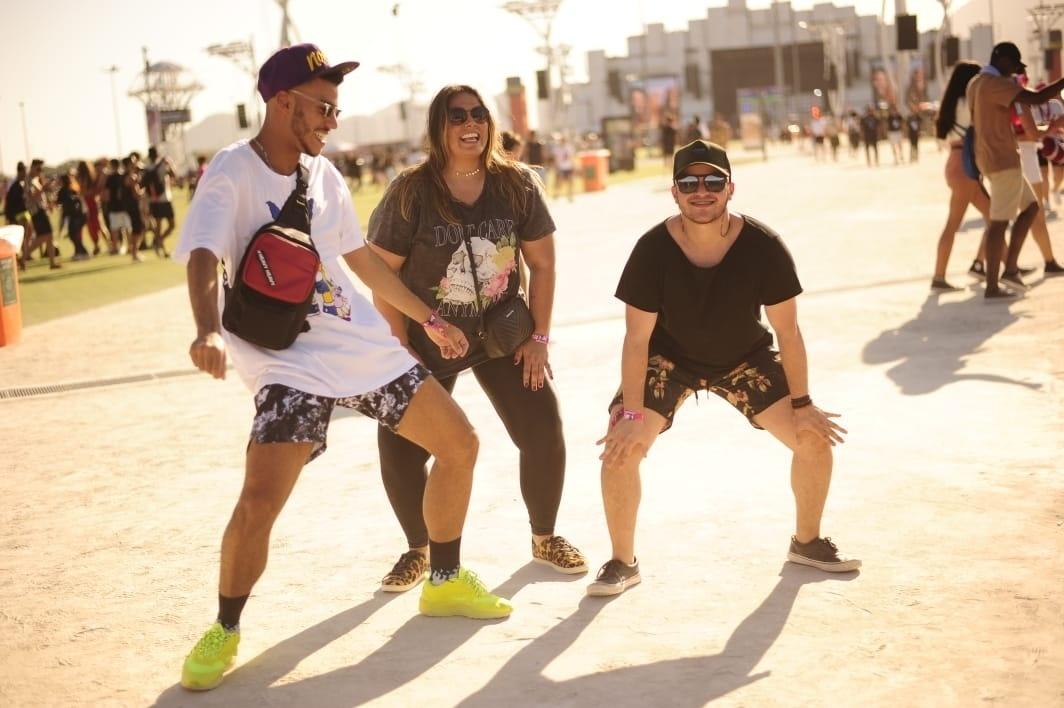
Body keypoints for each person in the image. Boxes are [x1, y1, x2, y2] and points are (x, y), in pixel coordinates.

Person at [175, 45, 512, 693]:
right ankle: (224, 627)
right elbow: (200, 254)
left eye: (337, 107)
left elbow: (363, 263)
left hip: (359, 346)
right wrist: (203, 331)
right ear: (281, 102)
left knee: (460, 444)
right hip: (286, 360)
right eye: (322, 107)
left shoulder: (324, 177)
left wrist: (428, 319)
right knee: (260, 500)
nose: (333, 120)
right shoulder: (232, 171)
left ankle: (443, 582)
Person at [588, 140, 860, 597]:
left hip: (742, 358)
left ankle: (807, 542)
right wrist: (631, 415)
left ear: (730, 188)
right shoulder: (652, 249)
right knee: (620, 446)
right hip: (668, 359)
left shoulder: (763, 246)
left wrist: (803, 403)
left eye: (713, 181)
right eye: (689, 183)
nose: (702, 191)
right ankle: (621, 561)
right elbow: (636, 339)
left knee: (812, 437)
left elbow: (789, 333)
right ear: (674, 192)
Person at [366, 84, 586, 594]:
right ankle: (418, 550)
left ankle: (544, 537)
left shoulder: (517, 184)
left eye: (479, 113)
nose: (471, 122)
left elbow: (544, 263)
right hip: (432, 337)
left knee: (542, 429)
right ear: (438, 127)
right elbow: (383, 274)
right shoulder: (410, 191)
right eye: (457, 115)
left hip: (505, 333)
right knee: (400, 443)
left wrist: (540, 337)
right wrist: (399, 345)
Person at [967, 42, 1064, 297]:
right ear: (1004, 61)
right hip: (1002, 161)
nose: (1015, 73)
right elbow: (1037, 98)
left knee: (1032, 207)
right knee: (998, 225)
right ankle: (992, 286)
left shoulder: (976, 83)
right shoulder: (995, 84)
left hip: (991, 159)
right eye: (1014, 67)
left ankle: (1010, 271)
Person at [931, 62, 992, 290]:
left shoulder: (949, 104)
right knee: (991, 218)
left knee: (993, 217)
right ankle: (995, 267)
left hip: (955, 163)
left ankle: (983, 264)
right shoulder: (967, 103)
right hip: (965, 166)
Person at [1014, 86, 1064, 275]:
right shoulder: (1016, 99)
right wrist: (1051, 127)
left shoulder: (1017, 99)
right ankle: (1004, 266)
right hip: (1022, 160)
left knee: (1036, 214)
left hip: (1028, 158)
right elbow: (1028, 133)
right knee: (1007, 217)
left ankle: (1049, 261)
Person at [25, 160, 61, 270]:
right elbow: (31, 197)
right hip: (37, 211)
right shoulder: (29, 180)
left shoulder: (36, 179)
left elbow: (41, 194)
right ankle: (23, 257)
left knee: (48, 236)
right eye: (38, 169)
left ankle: (52, 263)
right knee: (44, 236)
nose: (40, 171)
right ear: (32, 168)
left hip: (41, 210)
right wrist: (43, 188)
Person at [145, 145, 177, 256]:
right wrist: (169, 163)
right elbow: (173, 175)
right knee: (171, 225)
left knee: (159, 226)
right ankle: (161, 247)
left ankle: (159, 244)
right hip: (165, 198)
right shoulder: (162, 165)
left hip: (154, 200)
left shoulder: (147, 167)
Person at [3, 162, 35, 269]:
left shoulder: (19, 184)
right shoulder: (16, 186)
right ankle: (21, 260)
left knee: (27, 237)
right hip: (19, 215)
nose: (26, 174)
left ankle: (22, 258)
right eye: (24, 171)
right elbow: (13, 203)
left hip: (21, 214)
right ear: (20, 171)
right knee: (23, 239)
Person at [57, 173, 89, 260]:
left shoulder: (64, 191)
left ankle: (82, 252)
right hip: (79, 215)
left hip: (76, 216)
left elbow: (60, 204)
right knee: (74, 235)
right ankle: (79, 252)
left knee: (73, 235)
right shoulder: (72, 190)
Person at [551, 134, 575, 201]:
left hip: (568, 167)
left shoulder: (569, 147)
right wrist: (556, 167)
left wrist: (573, 166)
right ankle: (556, 194)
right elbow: (555, 159)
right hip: (561, 167)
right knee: (559, 182)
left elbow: (571, 157)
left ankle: (570, 195)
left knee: (570, 182)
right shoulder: (557, 149)